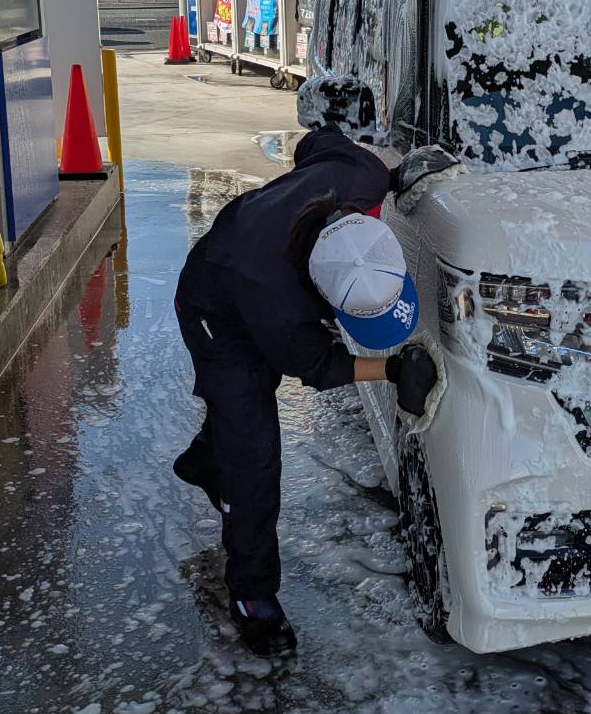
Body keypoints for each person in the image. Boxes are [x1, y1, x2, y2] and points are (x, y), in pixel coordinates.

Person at [172, 119, 438, 657]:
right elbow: (318, 367)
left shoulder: (362, 175)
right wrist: (389, 372)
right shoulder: (280, 308)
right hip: (214, 307)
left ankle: (204, 460)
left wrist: (394, 168)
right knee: (253, 458)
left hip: (257, 266)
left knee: (236, 420)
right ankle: (252, 600)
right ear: (319, 292)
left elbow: (318, 140)